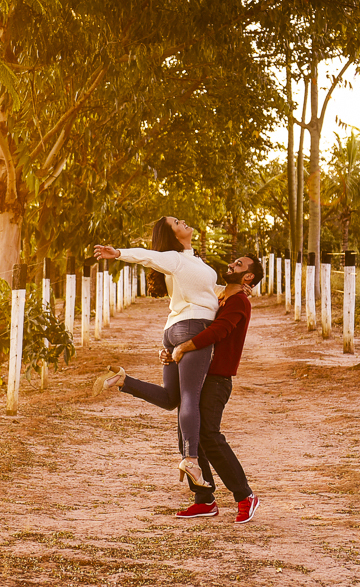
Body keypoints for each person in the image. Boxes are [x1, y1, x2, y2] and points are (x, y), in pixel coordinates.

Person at [92, 216, 219, 488]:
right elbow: (147, 257)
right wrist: (118, 254)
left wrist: (235, 290)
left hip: (174, 330)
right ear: (171, 235)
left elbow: (210, 293)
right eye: (176, 222)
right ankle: (192, 458)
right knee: (190, 397)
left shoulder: (193, 260)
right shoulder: (173, 257)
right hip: (193, 329)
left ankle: (124, 381)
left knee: (172, 397)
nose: (184, 221)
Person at [167, 253, 262, 523]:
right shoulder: (221, 298)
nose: (232, 264)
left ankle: (245, 496)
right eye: (234, 262)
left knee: (209, 435)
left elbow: (219, 331)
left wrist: (184, 346)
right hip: (198, 375)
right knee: (187, 437)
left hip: (217, 379)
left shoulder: (239, 302)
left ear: (249, 277)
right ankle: (204, 499)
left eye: (239, 265)